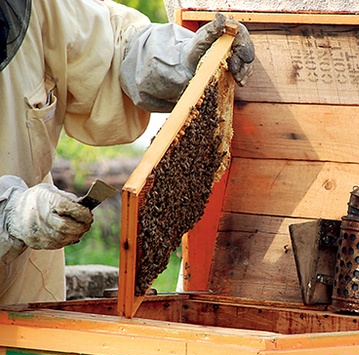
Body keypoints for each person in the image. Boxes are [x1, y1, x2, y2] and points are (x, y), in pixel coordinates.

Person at [0, 0, 254, 304]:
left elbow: (110, 49)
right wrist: (10, 215)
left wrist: (178, 59)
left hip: (25, 296)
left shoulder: (34, 6)